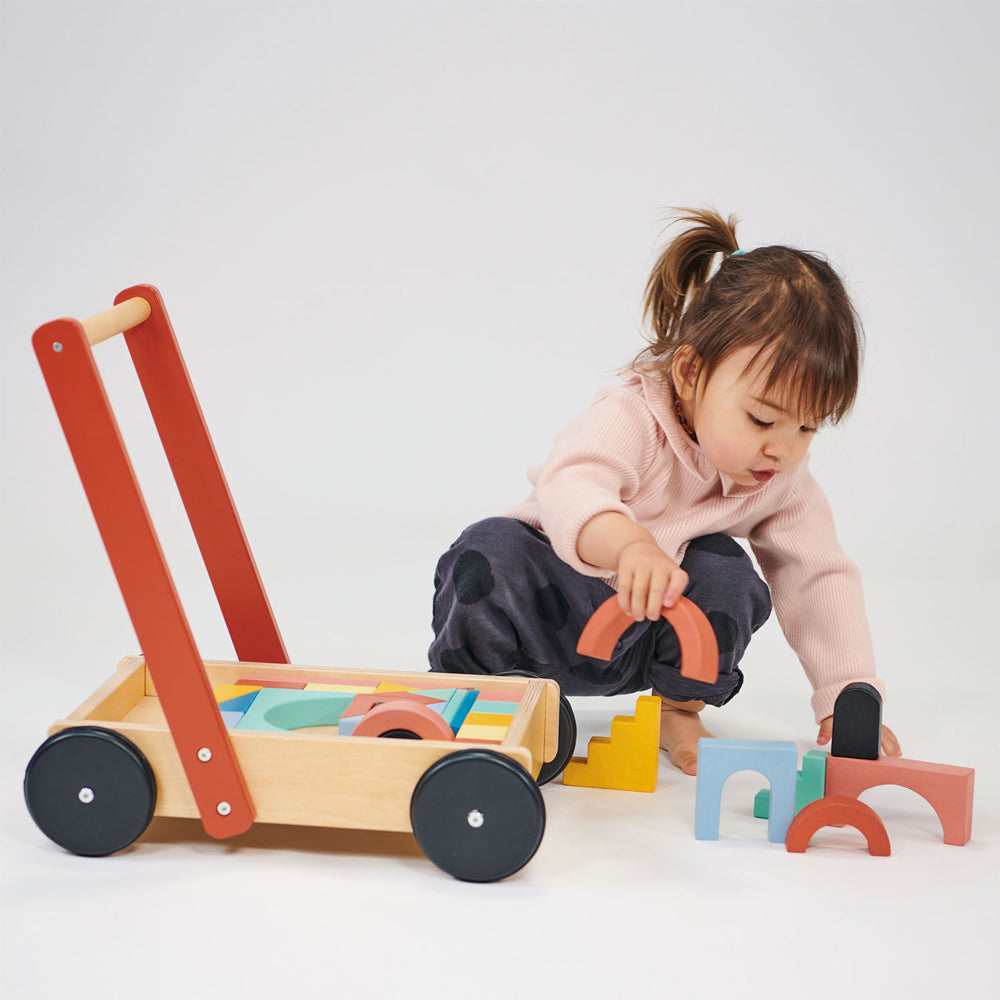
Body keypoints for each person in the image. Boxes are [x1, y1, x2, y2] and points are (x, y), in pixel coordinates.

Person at [429, 208, 901, 775]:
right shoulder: (631, 416)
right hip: (549, 608)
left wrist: (845, 698)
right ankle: (478, 696)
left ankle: (678, 707)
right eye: (760, 419)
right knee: (486, 551)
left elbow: (817, 573)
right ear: (689, 374)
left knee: (729, 575)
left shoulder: (778, 480)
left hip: (647, 635)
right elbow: (573, 480)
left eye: (807, 428)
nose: (784, 450)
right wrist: (628, 546)